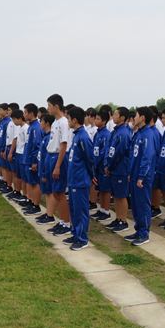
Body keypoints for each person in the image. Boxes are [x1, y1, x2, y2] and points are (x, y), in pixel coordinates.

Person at [124, 106, 157, 246]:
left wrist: (141, 176)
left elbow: (147, 157)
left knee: (143, 204)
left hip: (142, 177)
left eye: (136, 116)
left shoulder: (148, 134)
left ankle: (144, 233)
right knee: (136, 205)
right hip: (134, 174)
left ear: (143, 118)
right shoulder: (138, 133)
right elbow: (133, 155)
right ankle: (138, 230)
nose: (134, 118)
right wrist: (130, 173)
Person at [64, 107, 94, 251]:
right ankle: (76, 233)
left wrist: (91, 176)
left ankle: (82, 239)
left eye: (69, 119)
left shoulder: (83, 137)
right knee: (74, 209)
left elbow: (90, 159)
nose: (68, 121)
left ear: (75, 120)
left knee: (81, 211)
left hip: (80, 180)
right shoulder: (76, 135)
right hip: (73, 179)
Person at [45, 94, 72, 236]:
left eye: (49, 105)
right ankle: (62, 221)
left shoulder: (63, 122)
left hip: (59, 158)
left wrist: (57, 166)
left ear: (56, 106)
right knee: (56, 192)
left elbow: (63, 145)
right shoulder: (55, 122)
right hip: (52, 156)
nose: (48, 108)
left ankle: (67, 223)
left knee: (60, 192)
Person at [104, 107, 132, 233]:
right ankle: (118, 218)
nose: (113, 116)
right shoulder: (116, 131)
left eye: (116, 114)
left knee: (121, 196)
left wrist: (110, 166)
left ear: (122, 118)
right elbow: (110, 150)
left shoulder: (124, 133)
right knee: (116, 195)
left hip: (121, 169)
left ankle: (123, 221)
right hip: (114, 168)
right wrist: (107, 164)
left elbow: (119, 153)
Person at [91, 109, 112, 223]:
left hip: (102, 166)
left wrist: (102, 163)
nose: (95, 120)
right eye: (96, 118)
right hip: (96, 166)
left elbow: (104, 152)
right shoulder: (97, 133)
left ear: (104, 121)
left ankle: (106, 211)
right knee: (100, 188)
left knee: (106, 189)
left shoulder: (107, 135)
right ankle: (101, 209)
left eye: (98, 119)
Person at [22, 103, 43, 215]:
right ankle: (31, 202)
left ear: (31, 113)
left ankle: (36, 206)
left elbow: (38, 145)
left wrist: (35, 161)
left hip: (32, 160)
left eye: (25, 112)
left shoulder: (36, 127)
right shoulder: (30, 126)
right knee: (30, 182)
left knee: (35, 183)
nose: (24, 114)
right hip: (27, 159)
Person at [35, 114, 56, 225]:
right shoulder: (45, 136)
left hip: (46, 169)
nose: (40, 124)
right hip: (42, 167)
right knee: (47, 192)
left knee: (50, 192)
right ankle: (48, 212)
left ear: (47, 123)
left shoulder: (49, 138)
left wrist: (44, 172)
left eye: (42, 121)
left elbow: (48, 156)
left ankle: (50, 215)